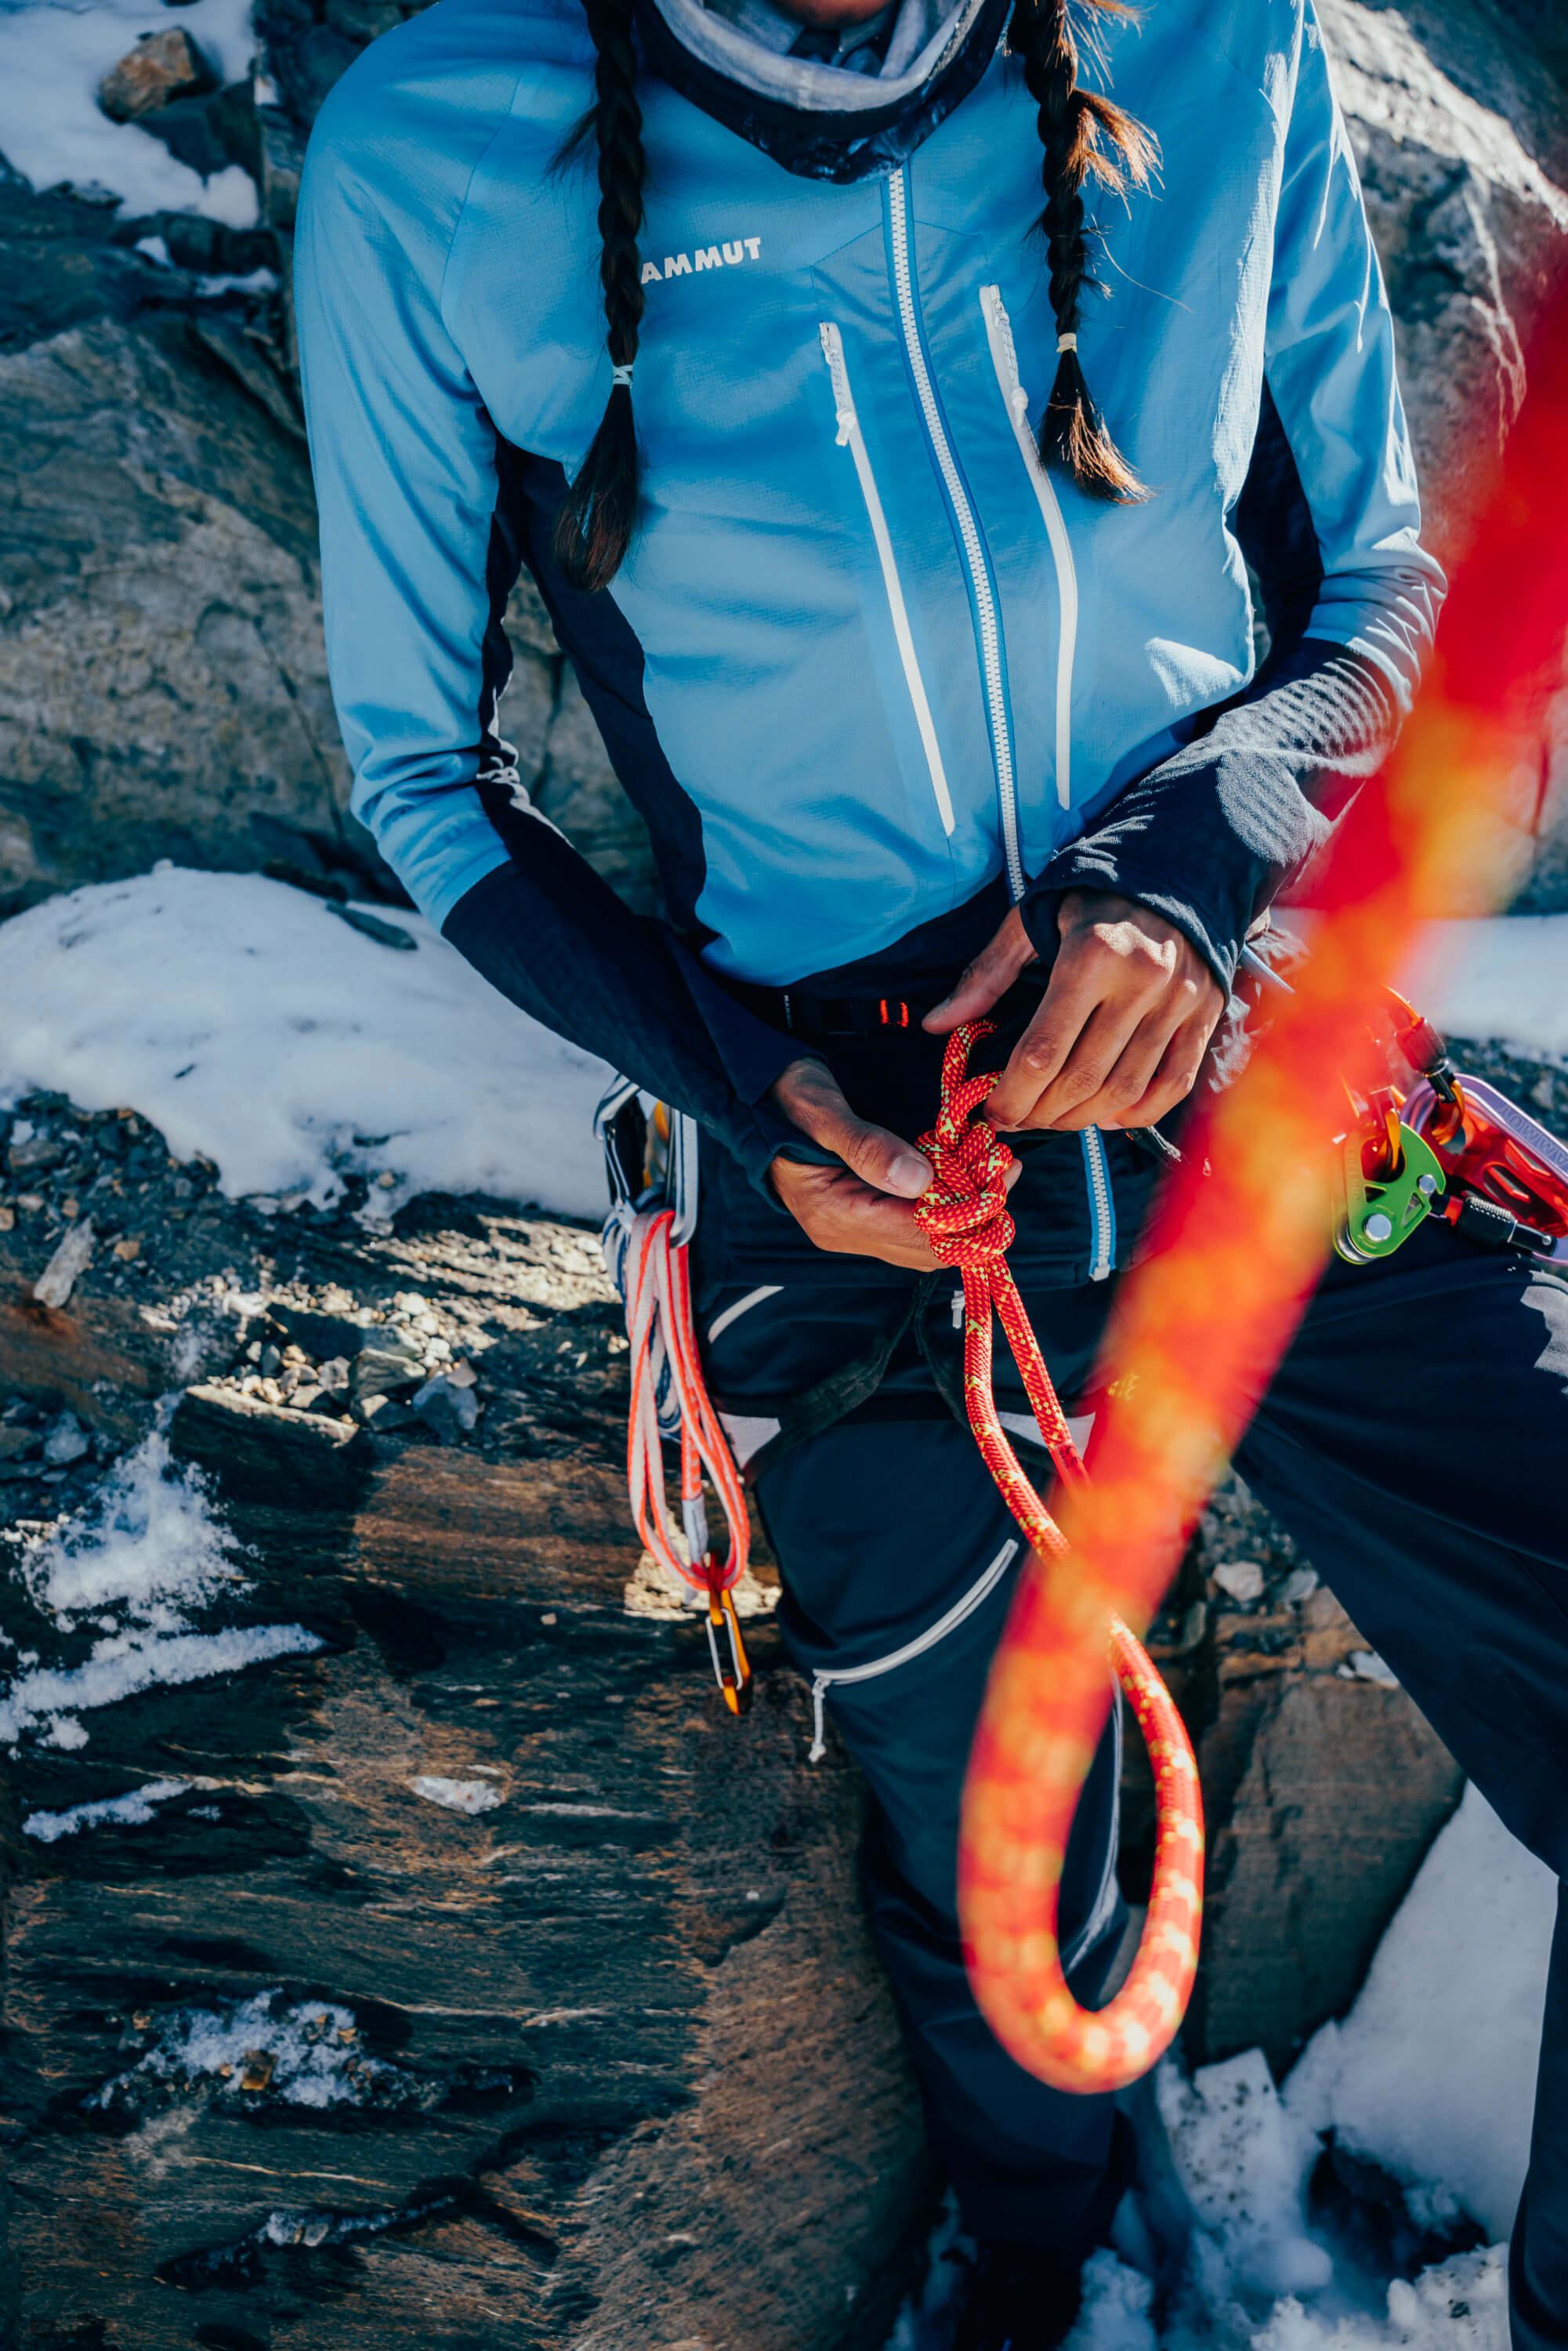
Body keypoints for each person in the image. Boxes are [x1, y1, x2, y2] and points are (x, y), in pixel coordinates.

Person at [294, 0, 1568, 2338]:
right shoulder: (441, 142)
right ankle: (1037, 2258)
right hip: (856, 1172)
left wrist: (1178, 883)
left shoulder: (1215, 46)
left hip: (1251, 1081)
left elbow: (1369, 597)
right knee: (994, 1848)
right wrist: (765, 1099)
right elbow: (424, 778)